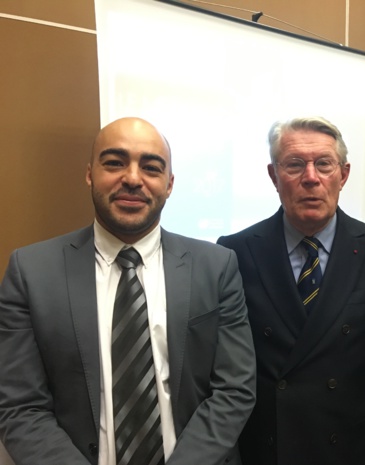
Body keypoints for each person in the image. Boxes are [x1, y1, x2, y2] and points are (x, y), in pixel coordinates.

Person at [0, 117, 256, 465]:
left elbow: (234, 389)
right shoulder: (30, 272)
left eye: (151, 167)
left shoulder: (217, 266)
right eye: (115, 163)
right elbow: (20, 405)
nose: (133, 179)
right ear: (90, 174)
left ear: (169, 184)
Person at [217, 116, 365, 465]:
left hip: (350, 438)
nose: (311, 177)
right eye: (295, 165)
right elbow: (229, 354)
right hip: (268, 440)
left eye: (324, 164)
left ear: (343, 175)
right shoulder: (237, 251)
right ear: (274, 176)